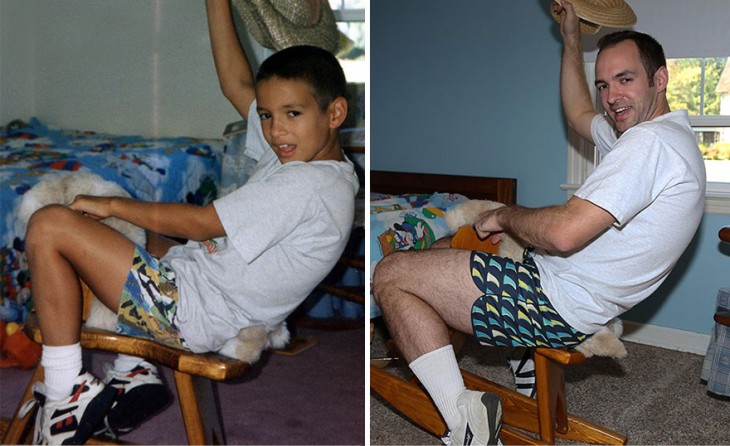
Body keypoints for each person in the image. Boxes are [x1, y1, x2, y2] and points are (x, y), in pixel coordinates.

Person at [21, 0, 359, 442]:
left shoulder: (310, 187)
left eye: (291, 114)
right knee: (114, 226)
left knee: (50, 224)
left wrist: (111, 208)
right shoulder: (309, 155)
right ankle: (134, 371)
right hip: (203, 288)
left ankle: (66, 396)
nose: (276, 131)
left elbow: (201, 223)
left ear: (335, 113)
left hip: (189, 314)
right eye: (266, 115)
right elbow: (237, 82)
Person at [372, 1, 706, 444]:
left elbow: (564, 234)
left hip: (554, 304)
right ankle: (504, 358)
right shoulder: (664, 137)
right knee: (440, 252)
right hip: (574, 293)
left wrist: (503, 215)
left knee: (392, 273)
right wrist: (571, 40)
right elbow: (578, 114)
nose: (611, 97)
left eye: (625, 80)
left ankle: (464, 418)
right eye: (604, 84)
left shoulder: (650, 146)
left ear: (659, 79)